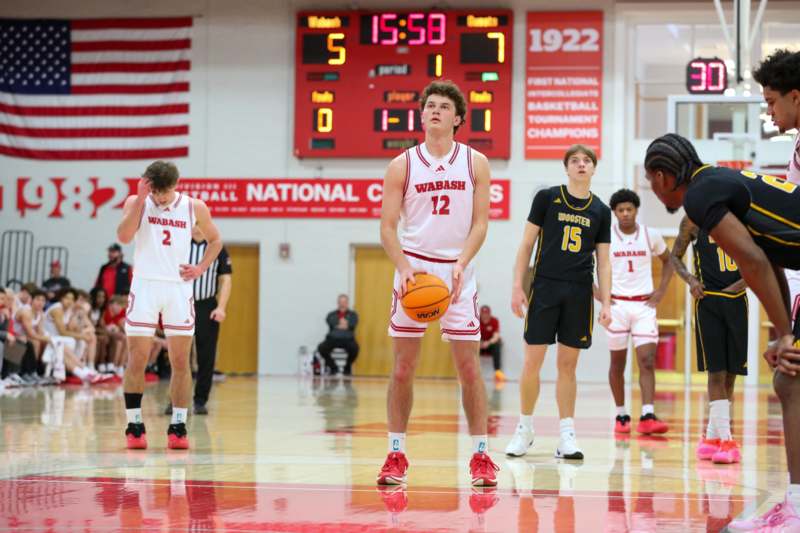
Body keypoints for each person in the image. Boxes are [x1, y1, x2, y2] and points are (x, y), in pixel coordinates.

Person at [643, 132, 800, 530]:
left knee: (790, 380)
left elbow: (752, 262)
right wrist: (784, 331)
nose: (653, 190)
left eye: (650, 181)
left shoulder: (699, 195)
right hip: (722, 295)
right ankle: (795, 505)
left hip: (734, 299)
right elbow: (769, 256)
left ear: (661, 176)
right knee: (789, 379)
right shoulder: (716, 181)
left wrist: (784, 334)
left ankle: (797, 510)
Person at [378, 80, 498, 486]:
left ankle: (481, 456)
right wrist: (403, 267)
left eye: (444, 106)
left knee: (469, 368)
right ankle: (396, 454)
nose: (434, 110)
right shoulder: (402, 165)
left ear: (458, 118)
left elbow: (480, 224)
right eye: (429, 105)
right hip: (414, 270)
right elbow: (387, 228)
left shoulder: (476, 163)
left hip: (457, 270)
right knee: (402, 368)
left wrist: (463, 261)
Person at [506, 144, 612, 460]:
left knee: (568, 366)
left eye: (587, 161)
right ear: (566, 168)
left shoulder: (601, 211)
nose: (581, 165)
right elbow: (526, 245)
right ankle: (524, 429)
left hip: (579, 292)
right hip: (545, 288)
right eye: (575, 160)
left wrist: (606, 302)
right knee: (532, 361)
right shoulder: (547, 198)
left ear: (594, 168)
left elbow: (604, 262)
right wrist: (517, 286)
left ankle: (566, 435)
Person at [117, 160, 222, 450]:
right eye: (156, 192)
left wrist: (201, 267)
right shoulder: (137, 202)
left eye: (164, 192)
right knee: (137, 358)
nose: (160, 198)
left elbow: (215, 241)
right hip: (145, 286)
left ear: (176, 185)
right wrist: (141, 199)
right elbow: (123, 236)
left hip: (178, 288)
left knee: (180, 361)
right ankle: (134, 426)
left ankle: (178, 426)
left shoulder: (194, 206)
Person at [669, 215, 745, 464]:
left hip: (737, 302)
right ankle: (727, 440)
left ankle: (711, 439)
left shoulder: (743, 218)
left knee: (731, 374)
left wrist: (742, 283)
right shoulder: (693, 220)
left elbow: (759, 260)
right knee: (716, 373)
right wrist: (691, 280)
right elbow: (674, 257)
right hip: (708, 301)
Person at [602, 188, 673, 435]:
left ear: (636, 210)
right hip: (617, 306)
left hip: (644, 306)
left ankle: (647, 414)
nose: (625, 213)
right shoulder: (605, 238)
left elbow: (669, 261)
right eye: (620, 210)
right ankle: (621, 414)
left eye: (629, 209)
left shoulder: (650, 235)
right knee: (617, 363)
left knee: (647, 360)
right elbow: (586, 266)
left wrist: (661, 291)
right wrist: (600, 296)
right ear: (614, 213)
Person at [165, 225, 232, 415]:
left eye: (201, 223)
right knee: (178, 357)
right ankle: (176, 400)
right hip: (181, 305)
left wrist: (221, 307)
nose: (196, 227)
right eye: (194, 223)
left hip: (206, 306)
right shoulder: (180, 245)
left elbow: (226, 280)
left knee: (206, 357)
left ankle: (200, 400)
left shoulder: (217, 248)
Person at [316, 294, 359, 376]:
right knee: (321, 348)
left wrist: (340, 324)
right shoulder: (331, 314)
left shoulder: (353, 315)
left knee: (355, 349)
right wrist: (344, 324)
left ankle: (347, 368)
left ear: (347, 303)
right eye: (340, 302)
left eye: (344, 302)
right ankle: (333, 368)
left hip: (348, 339)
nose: (342, 304)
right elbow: (331, 322)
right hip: (333, 339)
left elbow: (353, 323)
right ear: (338, 303)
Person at [479, 305, 504, 382]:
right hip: (479, 345)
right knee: (471, 347)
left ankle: (498, 373)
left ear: (489, 314)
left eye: (486, 313)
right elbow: (472, 335)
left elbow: (496, 336)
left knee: (497, 344)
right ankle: (472, 372)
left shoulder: (494, 321)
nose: (485, 315)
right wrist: (479, 343)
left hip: (490, 345)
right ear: (480, 313)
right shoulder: (476, 321)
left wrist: (488, 343)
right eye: (483, 313)